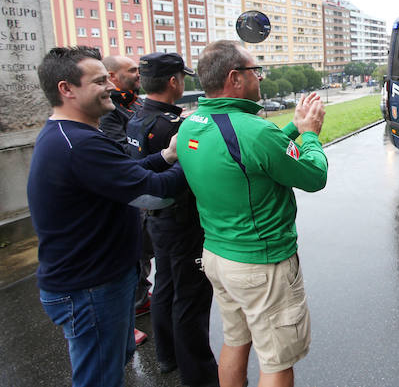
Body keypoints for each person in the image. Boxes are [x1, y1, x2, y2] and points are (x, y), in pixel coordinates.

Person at [27, 46, 186, 387]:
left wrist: (167, 156)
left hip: (95, 282)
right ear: (66, 89)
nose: (111, 86)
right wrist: (194, 160)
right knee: (99, 377)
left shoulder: (72, 135)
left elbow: (123, 175)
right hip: (91, 288)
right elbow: (152, 194)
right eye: (99, 81)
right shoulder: (79, 144)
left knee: (110, 365)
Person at [177, 40, 328, 387]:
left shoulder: (191, 125)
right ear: (235, 78)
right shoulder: (254, 131)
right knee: (276, 360)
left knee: (236, 340)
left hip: (217, 256)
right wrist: (310, 136)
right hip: (261, 265)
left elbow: (256, 154)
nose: (259, 78)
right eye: (255, 71)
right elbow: (314, 176)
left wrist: (291, 129)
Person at [126, 53, 218, 387]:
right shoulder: (171, 126)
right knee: (190, 298)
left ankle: (167, 356)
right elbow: (189, 172)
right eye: (182, 77)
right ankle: (200, 374)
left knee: (164, 286)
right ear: (174, 82)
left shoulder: (137, 117)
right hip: (180, 220)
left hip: (156, 218)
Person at [98, 54, 153, 338]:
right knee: (134, 250)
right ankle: (129, 311)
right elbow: (122, 149)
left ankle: (141, 299)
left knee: (142, 250)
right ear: (112, 76)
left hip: (142, 182)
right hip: (131, 190)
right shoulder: (110, 109)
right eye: (132, 70)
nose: (138, 75)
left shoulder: (134, 101)